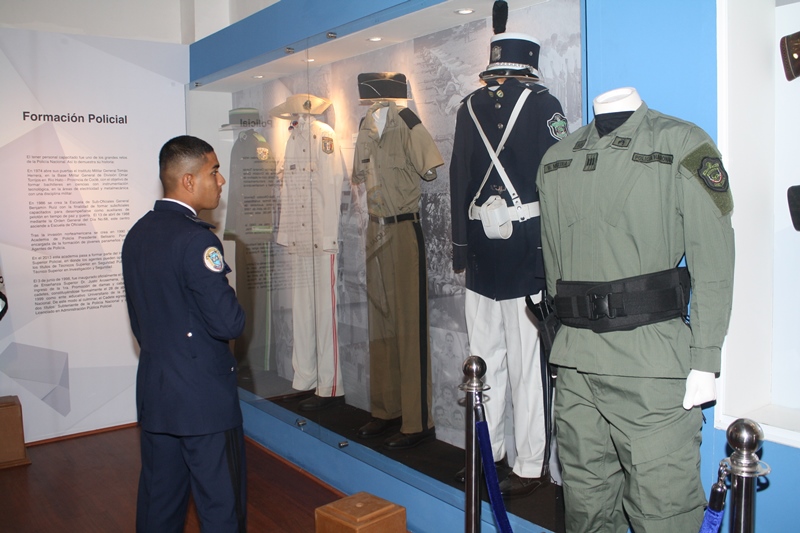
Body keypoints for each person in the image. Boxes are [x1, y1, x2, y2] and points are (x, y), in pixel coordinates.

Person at [537, 87, 735, 532]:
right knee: (586, 509)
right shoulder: (557, 158)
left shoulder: (681, 143)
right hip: (575, 367)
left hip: (650, 370)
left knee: (664, 511)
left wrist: (705, 358)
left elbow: (714, 261)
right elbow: (553, 268)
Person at [449, 27, 568, 497]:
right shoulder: (539, 104)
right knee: (501, 364)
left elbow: (459, 180)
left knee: (506, 365)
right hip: (515, 255)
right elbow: (554, 179)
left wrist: (462, 247)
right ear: (529, 65)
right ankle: (499, 457)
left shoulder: (480, 105)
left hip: (500, 256)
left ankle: (524, 462)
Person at [122, 135, 247, 532]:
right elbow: (229, 323)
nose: (221, 181)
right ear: (189, 180)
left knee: (159, 505)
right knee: (221, 508)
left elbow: (141, 323)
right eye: (214, 171)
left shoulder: (138, 233)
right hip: (204, 402)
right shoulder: (197, 240)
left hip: (157, 394)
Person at [352, 72, 443, 449]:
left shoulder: (407, 122)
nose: (373, 102)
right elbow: (359, 174)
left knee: (409, 325)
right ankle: (385, 409)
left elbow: (429, 168)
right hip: (375, 229)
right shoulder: (365, 125)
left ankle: (417, 420)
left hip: (404, 229)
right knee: (381, 324)